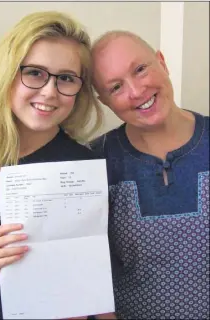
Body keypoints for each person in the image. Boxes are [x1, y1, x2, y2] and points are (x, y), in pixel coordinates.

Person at [0, 11, 106, 319]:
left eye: (66, 78)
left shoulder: (86, 166)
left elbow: (99, 272)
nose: (50, 91)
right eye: (35, 72)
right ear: (7, 74)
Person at [90, 30, 209, 319]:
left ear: (162, 62)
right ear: (103, 100)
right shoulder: (94, 161)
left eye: (140, 69)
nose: (135, 91)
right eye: (115, 87)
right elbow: (87, 268)